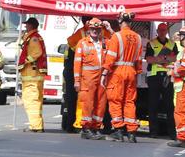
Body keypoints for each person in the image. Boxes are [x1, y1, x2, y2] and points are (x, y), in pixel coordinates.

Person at [101, 11, 143, 143]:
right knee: (129, 101)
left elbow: (111, 57)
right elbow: (138, 59)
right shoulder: (138, 38)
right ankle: (131, 133)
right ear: (131, 22)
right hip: (131, 71)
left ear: (119, 21)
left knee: (115, 100)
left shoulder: (117, 37)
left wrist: (104, 73)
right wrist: (137, 72)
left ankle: (118, 131)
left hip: (118, 72)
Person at [74, 18, 107, 140]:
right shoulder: (82, 43)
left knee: (101, 102)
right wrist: (77, 81)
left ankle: (96, 127)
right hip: (88, 78)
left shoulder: (105, 42)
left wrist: (109, 28)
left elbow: (116, 42)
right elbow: (77, 63)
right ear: (89, 29)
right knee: (88, 103)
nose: (95, 31)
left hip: (102, 77)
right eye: (93, 29)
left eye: (98, 29)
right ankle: (86, 128)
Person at [145, 22, 177, 138]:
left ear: (167, 31)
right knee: (153, 105)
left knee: (169, 106)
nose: (162, 32)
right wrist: (165, 59)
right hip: (154, 76)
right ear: (157, 31)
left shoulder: (172, 44)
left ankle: (172, 133)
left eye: (164, 30)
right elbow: (149, 59)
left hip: (167, 76)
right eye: (160, 30)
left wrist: (160, 58)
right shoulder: (151, 43)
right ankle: (153, 132)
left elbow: (175, 58)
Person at [17, 17, 48, 132]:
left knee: (31, 100)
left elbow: (37, 52)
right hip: (34, 75)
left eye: (27, 25)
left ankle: (35, 126)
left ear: (31, 26)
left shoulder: (33, 38)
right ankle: (37, 124)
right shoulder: (32, 37)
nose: (25, 27)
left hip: (32, 75)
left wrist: (25, 60)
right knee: (36, 101)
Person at [63, 16, 92, 132]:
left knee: (73, 99)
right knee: (82, 99)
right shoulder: (81, 35)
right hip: (81, 72)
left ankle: (72, 124)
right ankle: (78, 124)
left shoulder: (78, 35)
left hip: (75, 71)